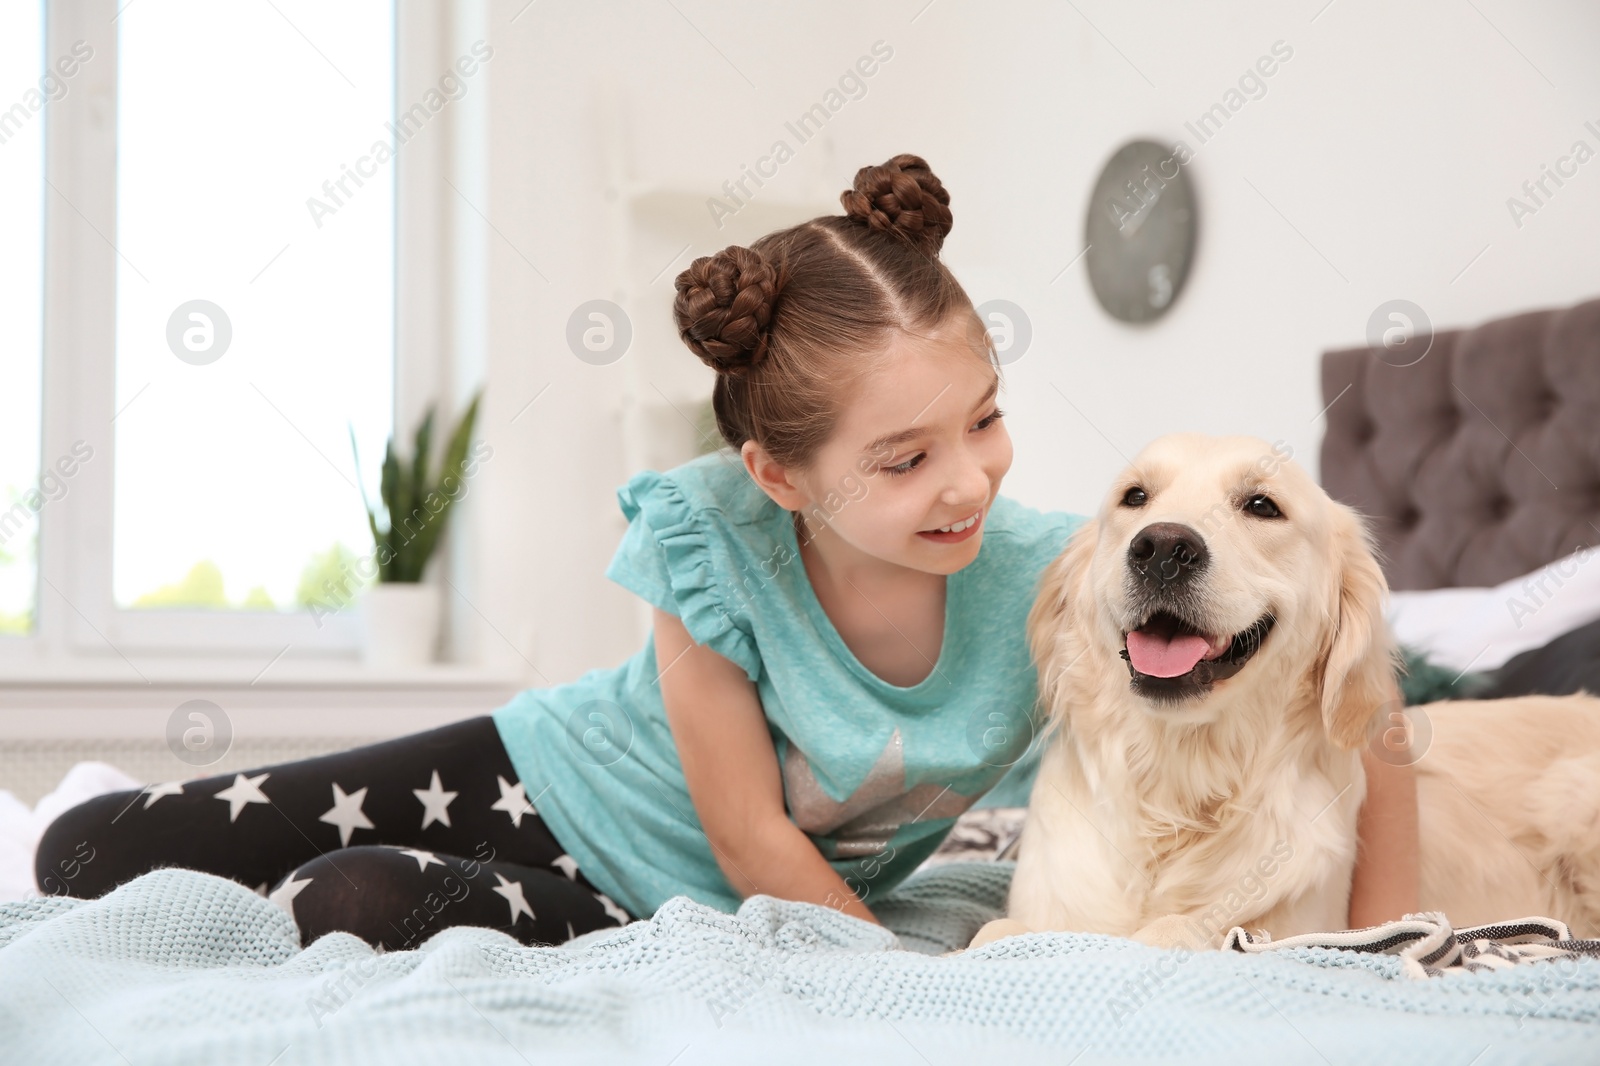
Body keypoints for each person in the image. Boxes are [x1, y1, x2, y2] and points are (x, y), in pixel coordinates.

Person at [33, 153, 1416, 951]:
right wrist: (892, 988)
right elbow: (752, 832)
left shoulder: (1074, 569)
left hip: (646, 903)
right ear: (777, 476)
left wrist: (1391, 931)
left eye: (984, 422)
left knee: (348, 899)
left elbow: (1373, 698)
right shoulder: (711, 539)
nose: (967, 481)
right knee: (88, 852)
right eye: (904, 456)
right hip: (546, 781)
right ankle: (126, 824)